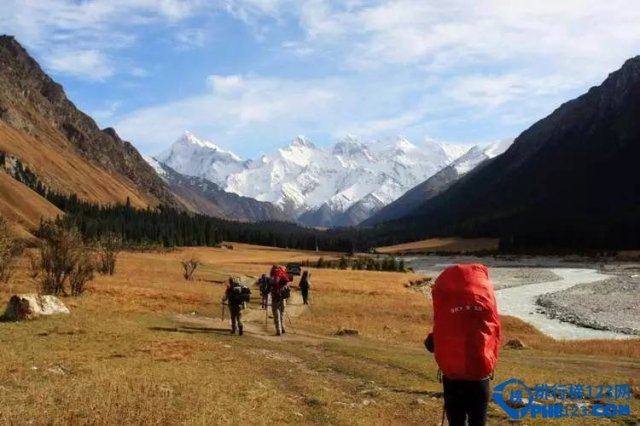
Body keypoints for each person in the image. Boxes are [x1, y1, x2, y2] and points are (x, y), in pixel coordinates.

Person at [424, 264, 501, 426]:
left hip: (453, 379)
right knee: (478, 422)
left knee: (456, 422)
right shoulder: (483, 311)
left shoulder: (447, 317)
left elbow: (431, 345)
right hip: (480, 376)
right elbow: (495, 335)